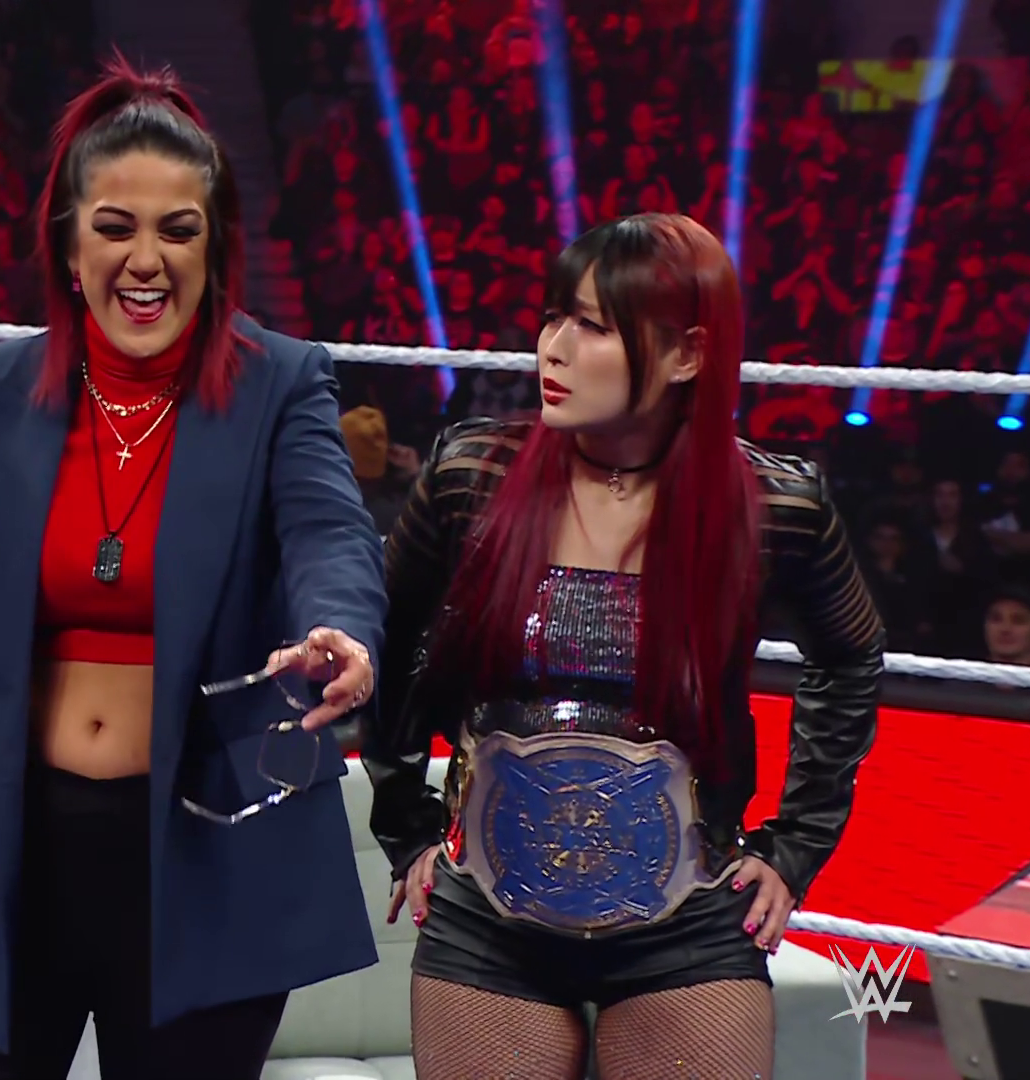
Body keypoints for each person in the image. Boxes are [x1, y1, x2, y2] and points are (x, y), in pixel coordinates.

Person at [0, 58, 388, 1080]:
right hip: (8, 851)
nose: (145, 260)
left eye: (179, 230)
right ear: (70, 245)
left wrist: (339, 627)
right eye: (116, 227)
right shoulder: (0, 388)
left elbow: (329, 534)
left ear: (217, 248)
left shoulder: (281, 383)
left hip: (206, 857)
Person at [364, 213, 884, 1078]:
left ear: (687, 354)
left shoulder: (774, 504)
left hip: (689, 919)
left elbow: (850, 657)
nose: (554, 348)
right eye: (553, 317)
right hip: (489, 914)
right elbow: (384, 628)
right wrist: (405, 822)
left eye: (593, 326)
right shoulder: (473, 473)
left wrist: (795, 846)